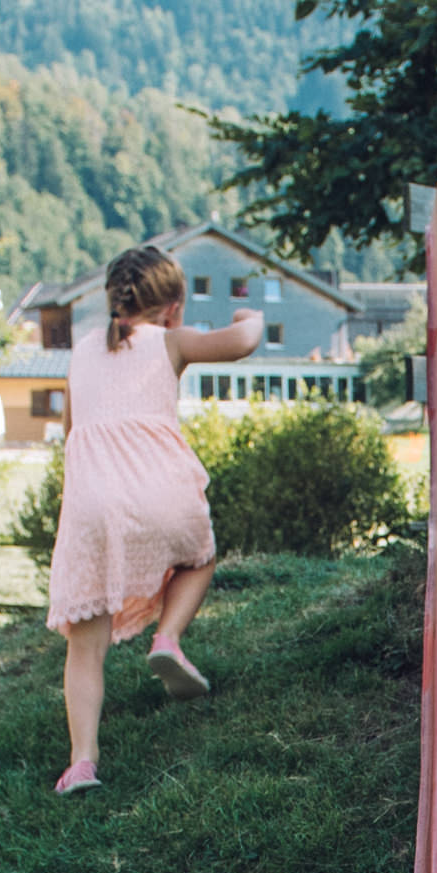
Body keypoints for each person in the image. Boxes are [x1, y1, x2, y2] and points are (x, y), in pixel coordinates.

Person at [43, 244, 264, 794]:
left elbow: (73, 431)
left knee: (85, 642)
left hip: (93, 501)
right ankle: (167, 638)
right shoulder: (170, 341)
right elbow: (243, 342)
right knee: (199, 557)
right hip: (158, 486)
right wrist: (247, 313)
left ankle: (83, 762)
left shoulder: (84, 350)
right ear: (173, 306)